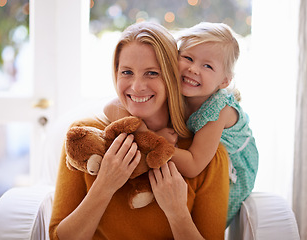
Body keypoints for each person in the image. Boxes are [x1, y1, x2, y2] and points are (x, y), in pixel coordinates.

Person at [49, 22, 230, 240]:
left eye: (151, 73)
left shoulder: (205, 156)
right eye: (127, 72)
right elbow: (59, 237)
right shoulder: (85, 138)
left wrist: (177, 213)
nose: (136, 86)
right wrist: (105, 185)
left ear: (172, 77)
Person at [105, 22, 259, 226]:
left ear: (224, 81)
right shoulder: (178, 90)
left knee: (203, 219)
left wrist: (151, 137)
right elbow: (110, 107)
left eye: (208, 66)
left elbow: (194, 164)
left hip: (234, 173)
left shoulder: (218, 109)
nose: (193, 69)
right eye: (188, 58)